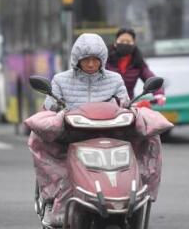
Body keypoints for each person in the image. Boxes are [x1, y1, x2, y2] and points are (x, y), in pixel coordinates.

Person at [34, 33, 129, 227]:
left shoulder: (115, 79)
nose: (92, 64)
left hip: (110, 137)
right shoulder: (60, 80)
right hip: (70, 138)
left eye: (96, 59)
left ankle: (137, 194)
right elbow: (49, 108)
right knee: (37, 138)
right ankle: (52, 200)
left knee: (149, 139)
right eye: (87, 60)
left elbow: (125, 105)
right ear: (77, 60)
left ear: (102, 59)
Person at [106, 28, 165, 104]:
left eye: (128, 41)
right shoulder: (106, 60)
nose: (125, 43)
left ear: (133, 44)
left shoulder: (138, 62)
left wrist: (159, 94)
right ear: (115, 42)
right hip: (106, 104)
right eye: (121, 41)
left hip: (128, 105)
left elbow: (149, 76)